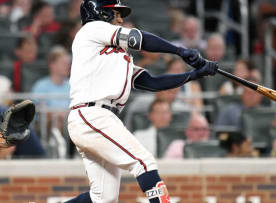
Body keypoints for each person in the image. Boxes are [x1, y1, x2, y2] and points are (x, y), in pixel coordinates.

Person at [66, 1, 218, 203]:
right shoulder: (91, 30)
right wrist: (179, 51)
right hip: (92, 114)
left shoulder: (115, 56)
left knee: (103, 197)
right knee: (144, 162)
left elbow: (151, 82)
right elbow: (139, 38)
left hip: (96, 117)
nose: (121, 19)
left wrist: (193, 75)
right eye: (116, 13)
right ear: (101, 13)